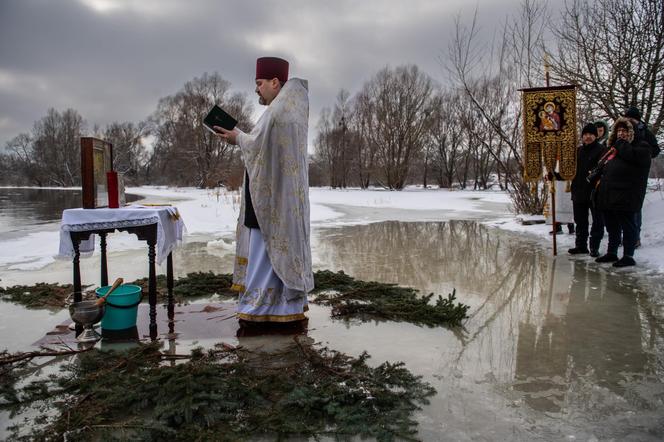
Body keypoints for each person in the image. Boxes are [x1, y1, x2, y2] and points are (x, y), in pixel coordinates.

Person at [215, 56, 313, 323]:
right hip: (276, 197)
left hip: (273, 202)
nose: (256, 89)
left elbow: (258, 146)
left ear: (274, 81)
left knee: (265, 253)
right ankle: (284, 308)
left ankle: (261, 308)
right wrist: (242, 138)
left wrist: (238, 137)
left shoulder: (279, 111)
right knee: (267, 254)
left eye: (259, 83)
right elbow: (265, 148)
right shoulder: (289, 108)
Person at [594, 118, 651, 267]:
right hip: (609, 194)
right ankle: (612, 252)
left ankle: (628, 255)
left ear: (632, 132)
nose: (621, 134)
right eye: (618, 131)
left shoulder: (641, 147)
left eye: (624, 131)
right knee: (612, 225)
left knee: (628, 225)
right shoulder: (612, 149)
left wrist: (621, 144)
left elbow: (632, 157)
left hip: (627, 194)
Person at [622, 106, 660, 248]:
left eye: (631, 119)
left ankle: (635, 237)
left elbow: (655, 150)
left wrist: (642, 155)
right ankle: (626, 236)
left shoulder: (646, 133)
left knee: (635, 206)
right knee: (623, 206)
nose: (629, 121)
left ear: (637, 120)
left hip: (639, 173)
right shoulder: (624, 131)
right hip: (624, 172)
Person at [568, 123, 606, 256]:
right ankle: (581, 245)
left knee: (597, 221)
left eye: (590, 134)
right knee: (580, 220)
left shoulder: (602, 150)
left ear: (595, 136)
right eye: (585, 135)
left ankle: (594, 247)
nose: (588, 137)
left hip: (595, 192)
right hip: (578, 190)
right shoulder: (578, 151)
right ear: (582, 137)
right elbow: (569, 170)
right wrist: (555, 175)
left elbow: (604, 170)